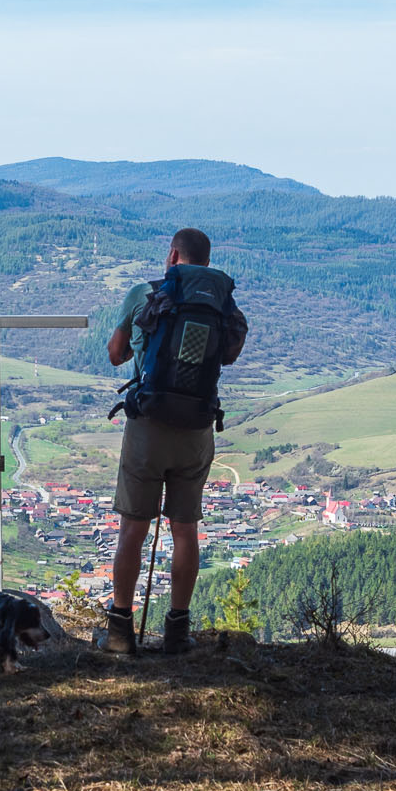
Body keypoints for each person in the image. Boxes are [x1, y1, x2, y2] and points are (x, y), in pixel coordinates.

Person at [103, 228, 246, 655]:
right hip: (197, 428)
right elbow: (230, 355)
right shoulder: (220, 300)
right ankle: (178, 630)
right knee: (185, 531)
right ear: (205, 260)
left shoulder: (145, 293)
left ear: (172, 256)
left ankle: (120, 632)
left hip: (148, 425)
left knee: (134, 527)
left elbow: (115, 353)